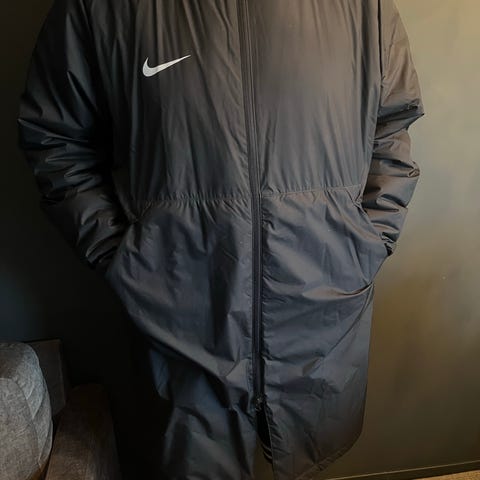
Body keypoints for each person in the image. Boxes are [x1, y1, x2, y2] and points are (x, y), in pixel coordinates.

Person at [16, 1, 425, 479]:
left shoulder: (362, 8)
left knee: (307, 459)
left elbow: (392, 125)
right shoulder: (100, 9)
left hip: (323, 308)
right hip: (178, 318)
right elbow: (56, 139)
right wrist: (120, 257)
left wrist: (368, 240)